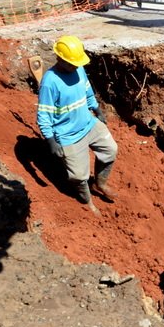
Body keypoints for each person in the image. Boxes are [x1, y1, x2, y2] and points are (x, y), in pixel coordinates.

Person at [37, 35, 118, 214]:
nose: (76, 66)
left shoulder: (78, 69)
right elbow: (44, 115)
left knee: (110, 150)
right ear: (60, 58)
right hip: (68, 135)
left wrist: (97, 111)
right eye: (71, 64)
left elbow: (88, 92)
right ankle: (87, 200)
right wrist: (51, 140)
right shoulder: (50, 83)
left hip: (88, 123)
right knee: (79, 176)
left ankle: (100, 183)